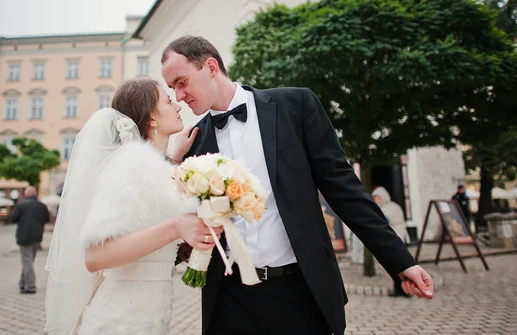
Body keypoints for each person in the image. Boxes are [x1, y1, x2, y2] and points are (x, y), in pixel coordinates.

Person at [161, 36, 434, 335]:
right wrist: (172, 162)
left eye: (181, 82)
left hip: (300, 291)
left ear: (211, 66)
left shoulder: (295, 105)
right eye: (173, 88)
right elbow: (178, 218)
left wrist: (400, 261)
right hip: (228, 298)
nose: (178, 95)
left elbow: (345, 190)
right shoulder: (194, 142)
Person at [44, 79, 221, 335]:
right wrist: (177, 227)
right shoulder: (130, 165)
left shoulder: (148, 166)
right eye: (169, 101)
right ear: (151, 118)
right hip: (120, 321)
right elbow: (96, 257)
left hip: (149, 316)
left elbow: (148, 212)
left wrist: (174, 159)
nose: (178, 107)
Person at [9, 186, 50, 294]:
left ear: (26, 194)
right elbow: (47, 218)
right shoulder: (42, 205)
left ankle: (30, 286)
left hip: (24, 237)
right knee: (29, 261)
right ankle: (22, 283)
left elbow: (12, 218)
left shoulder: (21, 205)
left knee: (27, 262)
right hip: (37, 237)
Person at [371, 186, 410, 297]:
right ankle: (399, 289)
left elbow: (384, 221)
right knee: (396, 267)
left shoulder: (391, 208)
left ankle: (405, 290)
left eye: (377, 197)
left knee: (401, 265)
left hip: (398, 237)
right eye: (374, 197)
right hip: (393, 238)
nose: (376, 200)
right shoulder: (383, 207)